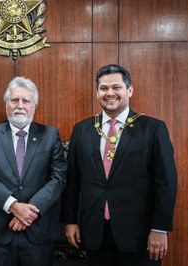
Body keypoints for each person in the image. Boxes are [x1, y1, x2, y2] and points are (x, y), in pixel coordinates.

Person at [61, 64, 177, 266]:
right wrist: (70, 220)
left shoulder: (153, 128)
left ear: (129, 90)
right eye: (104, 88)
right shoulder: (82, 129)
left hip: (139, 233)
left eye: (116, 87)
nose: (110, 93)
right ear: (97, 93)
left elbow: (165, 182)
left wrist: (160, 228)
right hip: (95, 231)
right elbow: (73, 180)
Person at [0, 77, 67, 266]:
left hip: (39, 229)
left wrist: (29, 211)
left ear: (34, 106)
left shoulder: (50, 135)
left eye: (26, 101)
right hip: (1, 229)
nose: (20, 106)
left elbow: (59, 177)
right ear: (6, 103)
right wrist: (13, 205)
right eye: (14, 100)